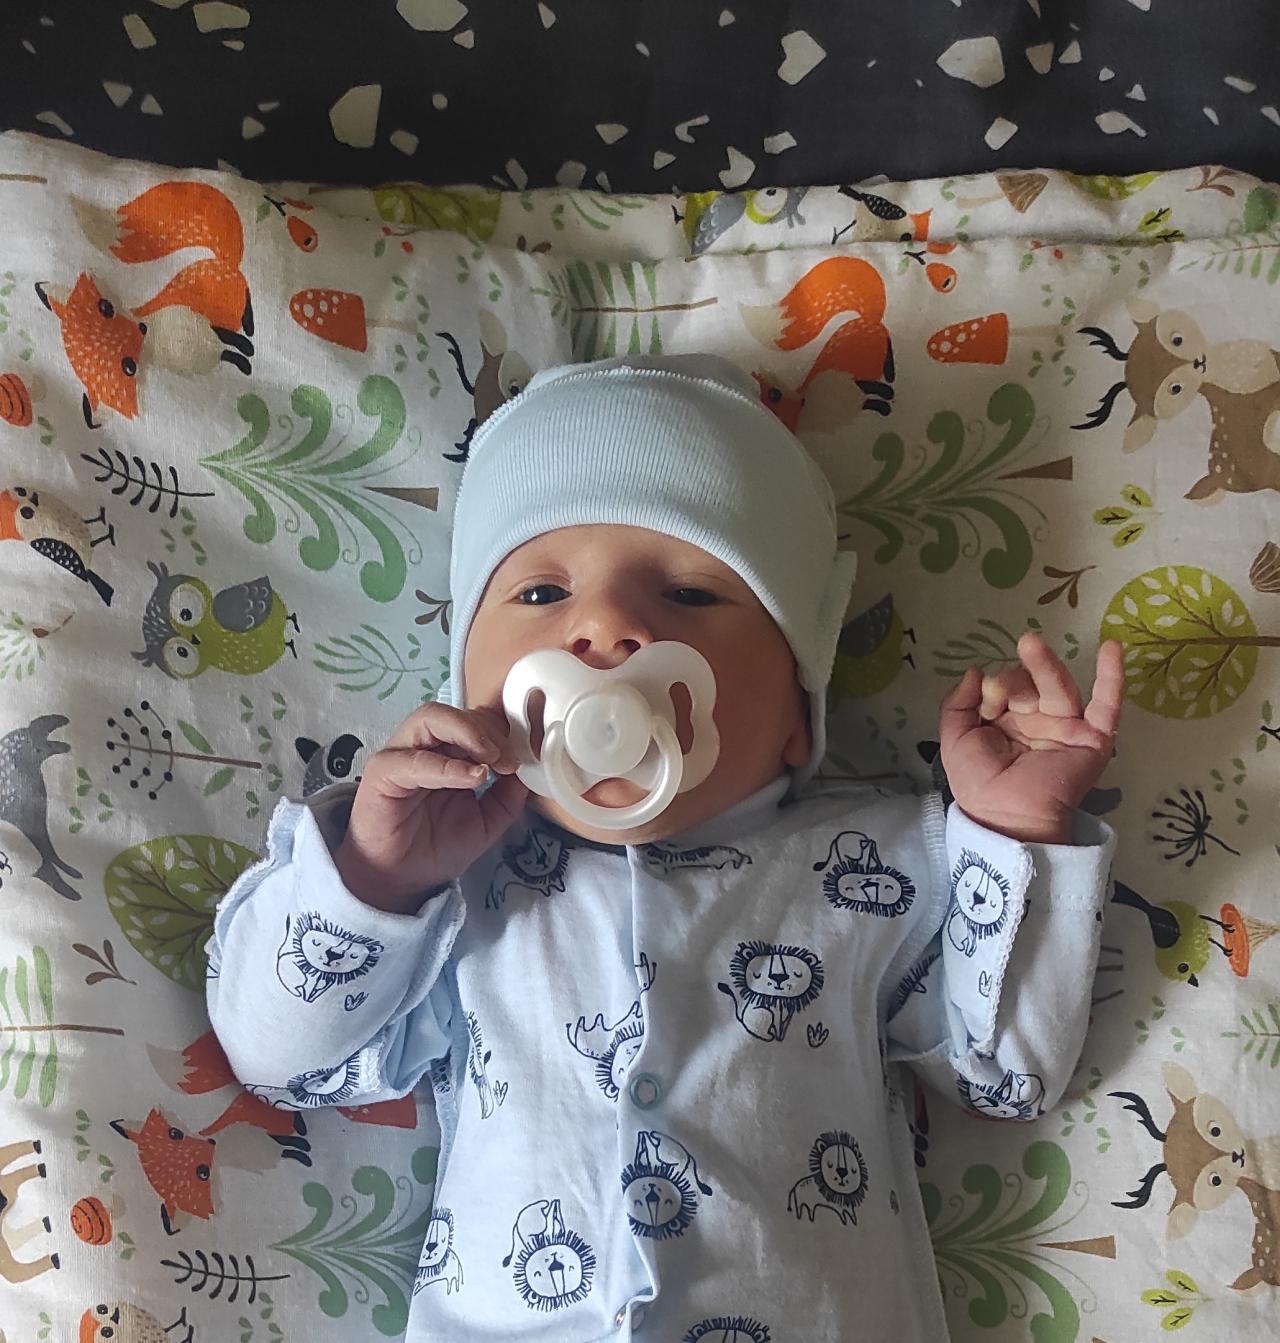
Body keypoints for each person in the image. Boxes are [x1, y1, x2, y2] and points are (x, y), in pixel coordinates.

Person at [207, 354, 1123, 1341]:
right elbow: (280, 1063)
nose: (606, 625)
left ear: (798, 715)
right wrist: (372, 880)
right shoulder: (454, 881)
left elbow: (1005, 1075)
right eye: (540, 593)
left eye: (689, 594)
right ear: (467, 687)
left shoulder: (872, 863)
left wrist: (1017, 830)